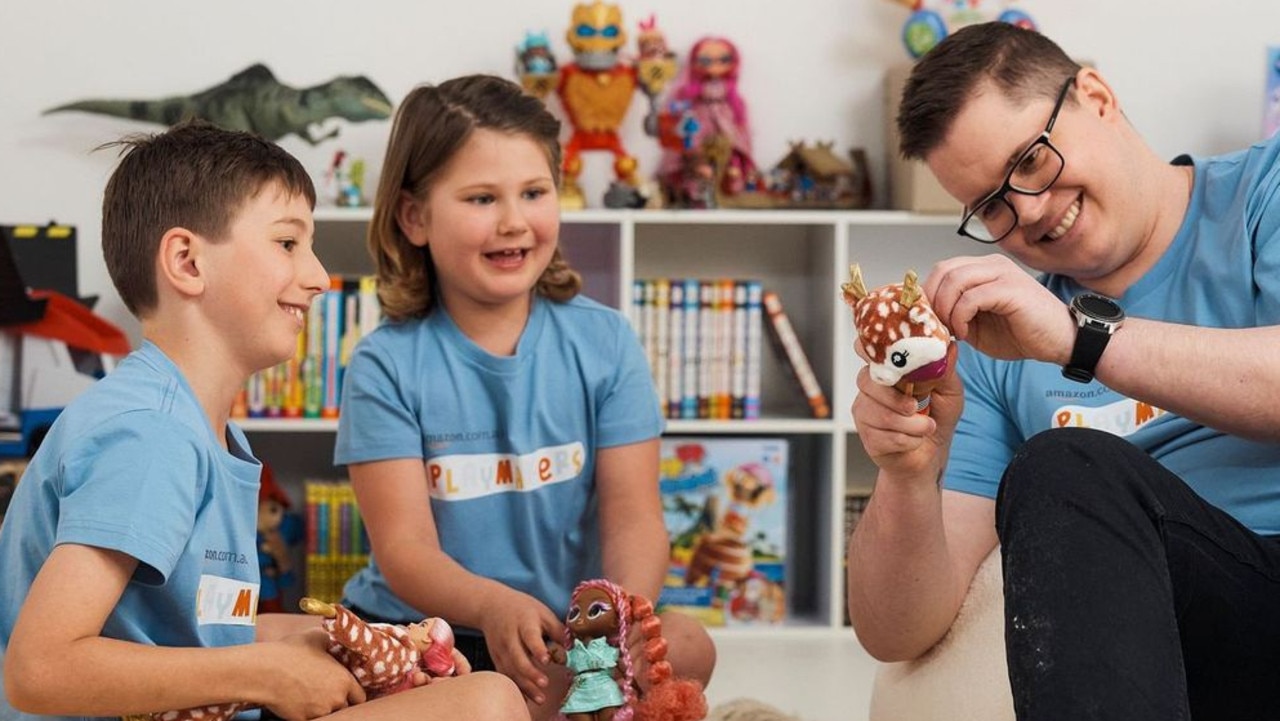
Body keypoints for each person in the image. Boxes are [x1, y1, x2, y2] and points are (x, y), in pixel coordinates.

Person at [0, 119, 527, 721]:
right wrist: (263, 672)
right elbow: (39, 670)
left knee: (468, 696)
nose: (318, 277)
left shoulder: (195, 427)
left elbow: (199, 636)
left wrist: (328, 649)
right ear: (187, 262)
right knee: (485, 703)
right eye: (287, 243)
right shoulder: (151, 434)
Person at [847, 21, 1280, 721]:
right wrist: (906, 474)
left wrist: (1080, 338)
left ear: (1098, 98)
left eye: (1031, 160)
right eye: (991, 205)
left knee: (1069, 462)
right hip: (1158, 640)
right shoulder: (998, 341)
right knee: (1062, 468)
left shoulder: (1264, 192)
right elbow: (895, 633)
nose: (1030, 210)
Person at [333, 73, 716, 721]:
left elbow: (634, 516)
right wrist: (490, 605)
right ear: (415, 216)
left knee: (689, 646)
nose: (514, 221)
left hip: (563, 636)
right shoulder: (384, 363)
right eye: (482, 198)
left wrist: (613, 620)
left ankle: (571, 701)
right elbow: (405, 552)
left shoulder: (605, 341)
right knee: (489, 700)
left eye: (534, 192)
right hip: (430, 638)